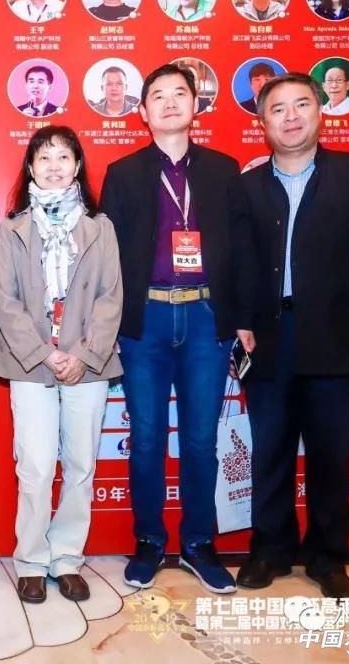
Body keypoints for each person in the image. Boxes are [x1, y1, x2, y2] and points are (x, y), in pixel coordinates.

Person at [236, 73, 349, 603]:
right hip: (268, 339)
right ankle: (270, 550)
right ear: (262, 123)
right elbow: (236, 264)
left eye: (301, 105)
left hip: (338, 336)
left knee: (330, 455)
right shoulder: (247, 185)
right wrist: (238, 321)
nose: (290, 117)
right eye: (278, 109)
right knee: (270, 451)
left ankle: (328, 558)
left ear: (319, 111)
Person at [100, 63, 255, 595]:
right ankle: (149, 540)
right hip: (145, 319)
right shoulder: (123, 173)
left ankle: (198, 543)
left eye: (179, 94)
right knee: (145, 437)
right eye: (158, 96)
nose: (169, 102)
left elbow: (241, 251)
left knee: (200, 438)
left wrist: (242, 318)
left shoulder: (223, 170)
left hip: (207, 317)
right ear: (143, 112)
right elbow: (108, 256)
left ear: (195, 105)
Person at [0, 125, 123, 604]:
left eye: (63, 157)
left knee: (81, 465)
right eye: (44, 157)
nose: (54, 166)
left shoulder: (101, 228)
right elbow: (6, 302)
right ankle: (30, 560)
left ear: (77, 166)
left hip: (88, 363)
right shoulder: (11, 230)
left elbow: (111, 297)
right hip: (31, 363)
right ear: (30, 167)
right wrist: (46, 354)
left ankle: (67, 558)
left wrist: (83, 355)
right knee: (35, 465)